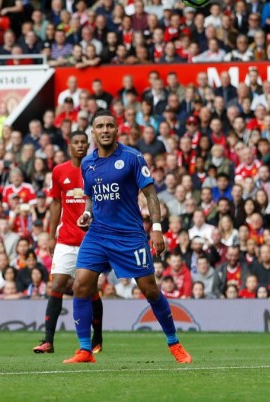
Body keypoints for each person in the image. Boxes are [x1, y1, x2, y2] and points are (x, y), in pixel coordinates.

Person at [67, 110, 192, 364]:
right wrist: (86, 214)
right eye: (99, 126)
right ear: (93, 131)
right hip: (98, 233)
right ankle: (84, 350)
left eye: (109, 126)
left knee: (150, 291)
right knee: (80, 283)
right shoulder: (87, 164)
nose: (104, 130)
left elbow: (150, 194)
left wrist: (156, 227)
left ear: (116, 130)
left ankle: (174, 343)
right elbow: (91, 198)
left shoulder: (132, 157)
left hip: (129, 236)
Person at [33, 131, 104, 354]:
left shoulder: (96, 169)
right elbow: (55, 205)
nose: (81, 146)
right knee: (56, 285)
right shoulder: (59, 171)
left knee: (88, 288)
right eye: (76, 142)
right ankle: (48, 341)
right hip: (65, 239)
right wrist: (51, 234)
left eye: (84, 142)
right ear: (70, 145)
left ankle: (97, 337)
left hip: (91, 240)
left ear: (88, 145)